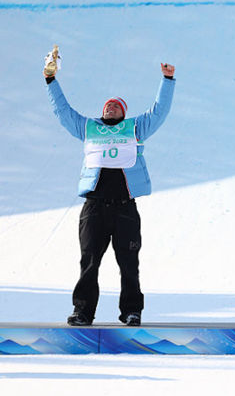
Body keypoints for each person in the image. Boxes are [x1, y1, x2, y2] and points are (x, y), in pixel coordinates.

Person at [44, 53, 175, 326]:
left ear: (124, 113)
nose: (110, 108)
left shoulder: (136, 128)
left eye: (116, 106)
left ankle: (131, 311)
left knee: (129, 264)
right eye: (107, 106)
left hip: (125, 207)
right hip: (94, 208)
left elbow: (159, 111)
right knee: (89, 262)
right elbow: (63, 111)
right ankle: (82, 312)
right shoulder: (89, 127)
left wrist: (167, 79)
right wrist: (50, 80)